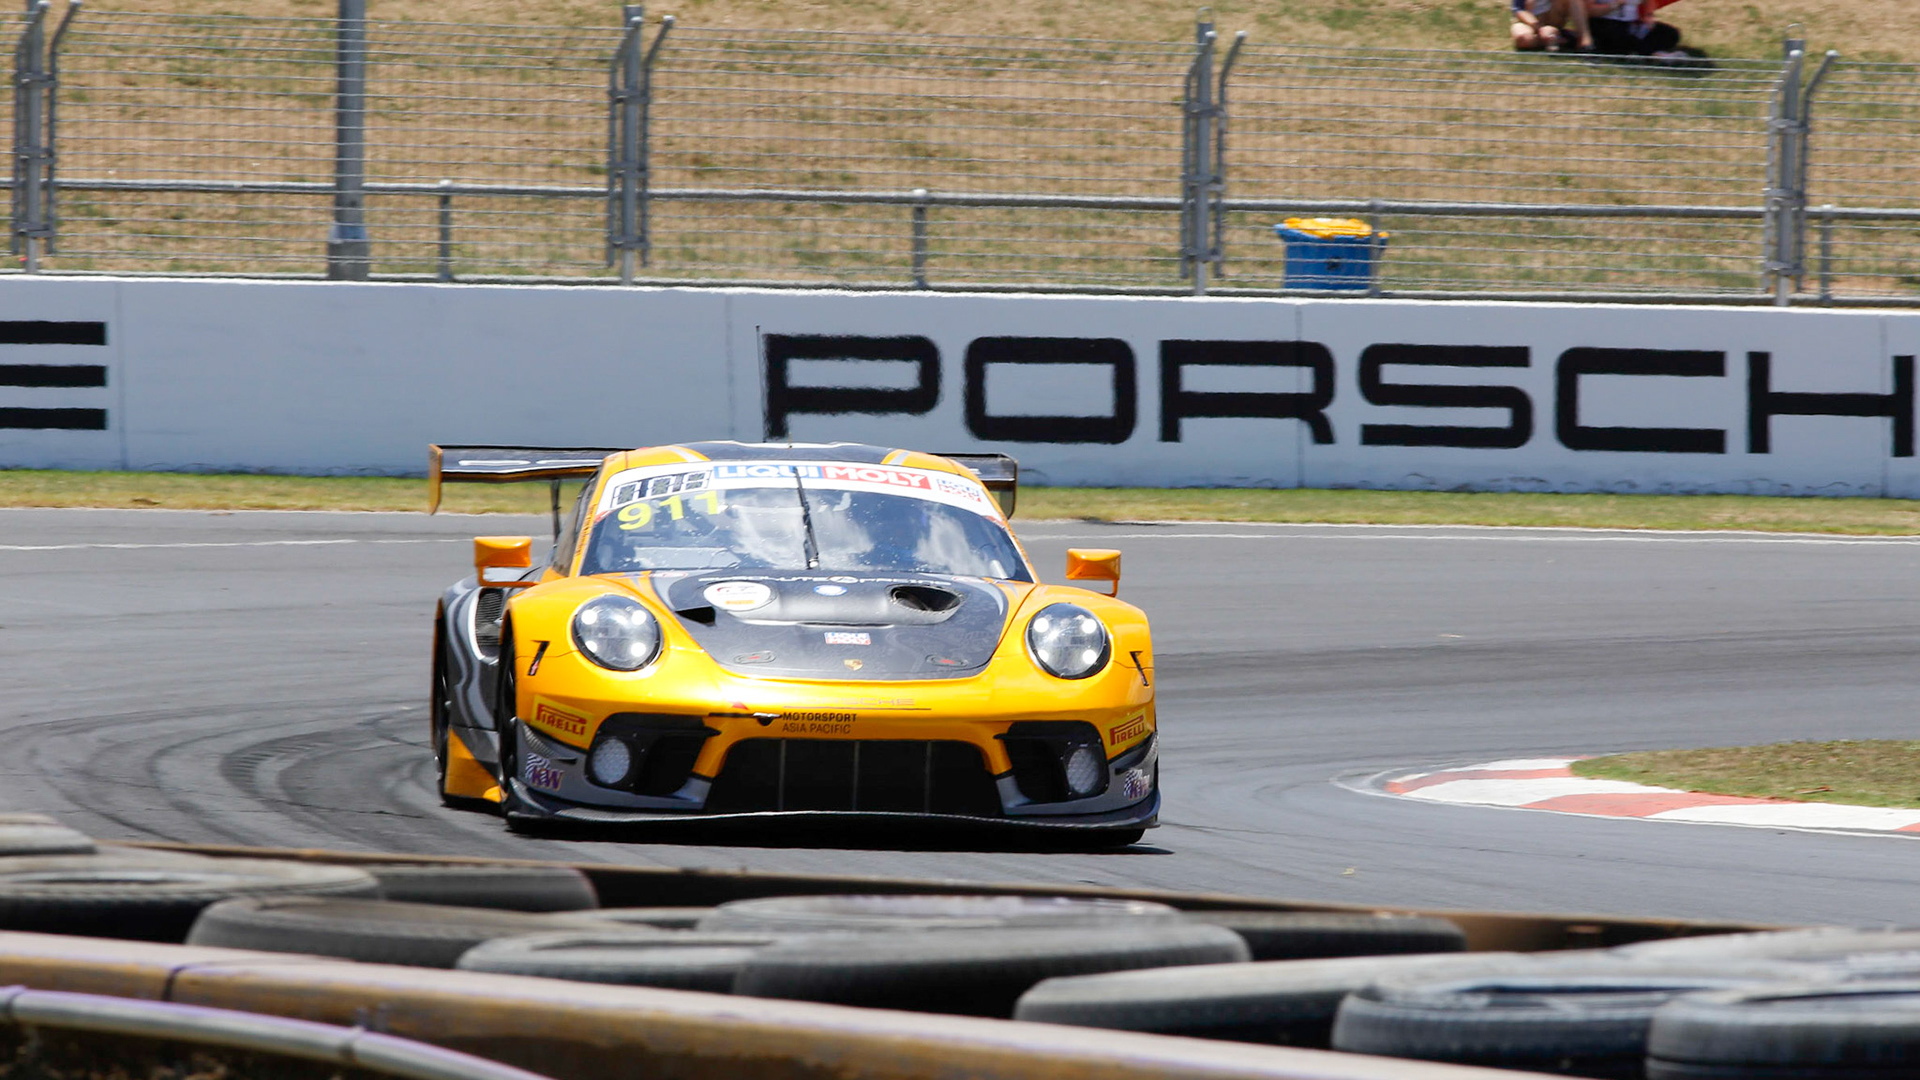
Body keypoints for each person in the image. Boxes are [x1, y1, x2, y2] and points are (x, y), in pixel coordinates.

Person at [1584, 0, 1685, 57]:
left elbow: (1648, 2)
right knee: (1617, 35)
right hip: (1604, 22)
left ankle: (1636, 50)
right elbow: (1589, 11)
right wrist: (1615, 4)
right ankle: (1654, 54)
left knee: (1670, 34)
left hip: (1631, 24)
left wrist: (1648, 16)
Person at [1511, 0, 1592, 52]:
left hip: (1552, 18)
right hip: (1529, 22)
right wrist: (1539, 27)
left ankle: (1584, 39)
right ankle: (1557, 37)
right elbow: (1519, 10)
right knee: (1523, 38)